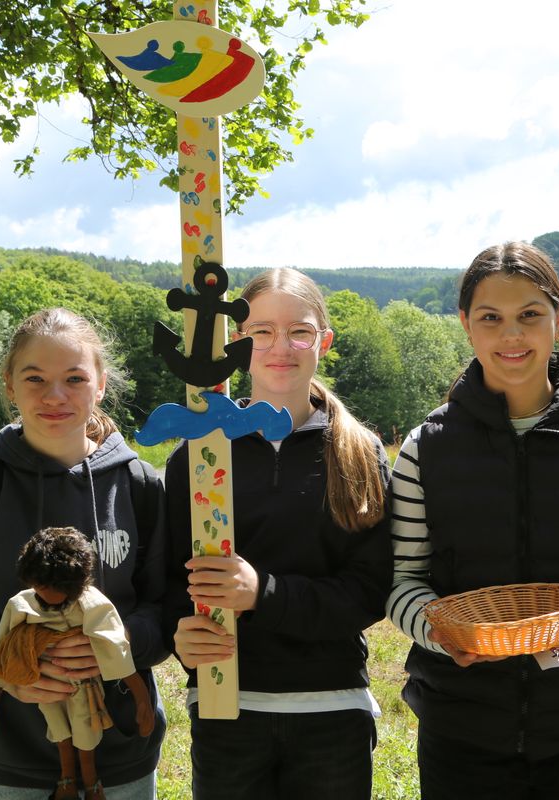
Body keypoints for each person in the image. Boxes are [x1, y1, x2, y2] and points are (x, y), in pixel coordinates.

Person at [387, 241, 559, 799]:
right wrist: (439, 632)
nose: (511, 336)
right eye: (491, 318)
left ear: (558, 320)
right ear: (466, 326)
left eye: (529, 316)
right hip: (461, 725)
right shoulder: (426, 447)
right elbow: (400, 583)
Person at [0, 307, 169, 799]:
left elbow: (171, 608)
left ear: (100, 384)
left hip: (124, 754)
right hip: (9, 761)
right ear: (9, 384)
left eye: (74, 378)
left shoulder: (140, 487)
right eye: (34, 377)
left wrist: (122, 641)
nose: (54, 395)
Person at [165, 267, 392, 800]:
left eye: (300, 331)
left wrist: (263, 593)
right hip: (226, 707)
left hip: (331, 709)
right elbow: (171, 579)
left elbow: (371, 591)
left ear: (324, 342)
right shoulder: (201, 453)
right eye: (261, 331)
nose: (280, 347)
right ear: (237, 342)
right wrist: (181, 634)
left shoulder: (357, 452)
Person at [0, 526, 156, 800]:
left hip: (82, 684)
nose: (46, 596)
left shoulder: (92, 605)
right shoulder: (22, 605)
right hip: (41, 683)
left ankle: (91, 781)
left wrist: (141, 697)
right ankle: (67, 781)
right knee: (59, 729)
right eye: (39, 588)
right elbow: (3, 647)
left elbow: (114, 644)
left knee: (85, 730)